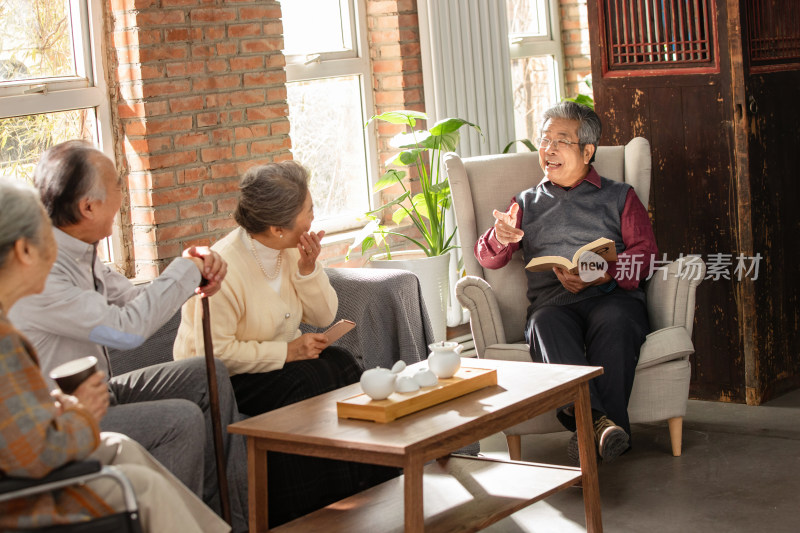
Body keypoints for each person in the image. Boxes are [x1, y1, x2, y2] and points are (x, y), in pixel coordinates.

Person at [8, 141, 248, 531]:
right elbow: (123, 330)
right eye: (119, 185)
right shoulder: (44, 274)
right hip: (71, 412)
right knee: (180, 419)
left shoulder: (80, 252)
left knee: (208, 374)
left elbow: (134, 301)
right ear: (88, 206)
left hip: (101, 391)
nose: (124, 194)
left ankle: (223, 520)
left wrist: (194, 281)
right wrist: (185, 271)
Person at [174, 161, 397, 526]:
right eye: (307, 211)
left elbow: (326, 314)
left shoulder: (292, 248)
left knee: (342, 364)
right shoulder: (223, 267)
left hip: (279, 362)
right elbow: (209, 355)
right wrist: (288, 352)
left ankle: (366, 487)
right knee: (307, 383)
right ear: (277, 227)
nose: (313, 217)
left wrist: (309, 269)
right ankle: (306, 512)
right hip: (225, 379)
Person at [475, 101, 658, 464]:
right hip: (554, 305)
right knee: (543, 324)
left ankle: (589, 432)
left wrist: (604, 273)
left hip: (612, 299)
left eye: (561, 141)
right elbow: (488, 259)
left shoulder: (620, 195)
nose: (549, 150)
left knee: (617, 323)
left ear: (588, 151)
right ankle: (602, 430)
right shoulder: (524, 203)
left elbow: (646, 255)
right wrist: (501, 236)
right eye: (544, 141)